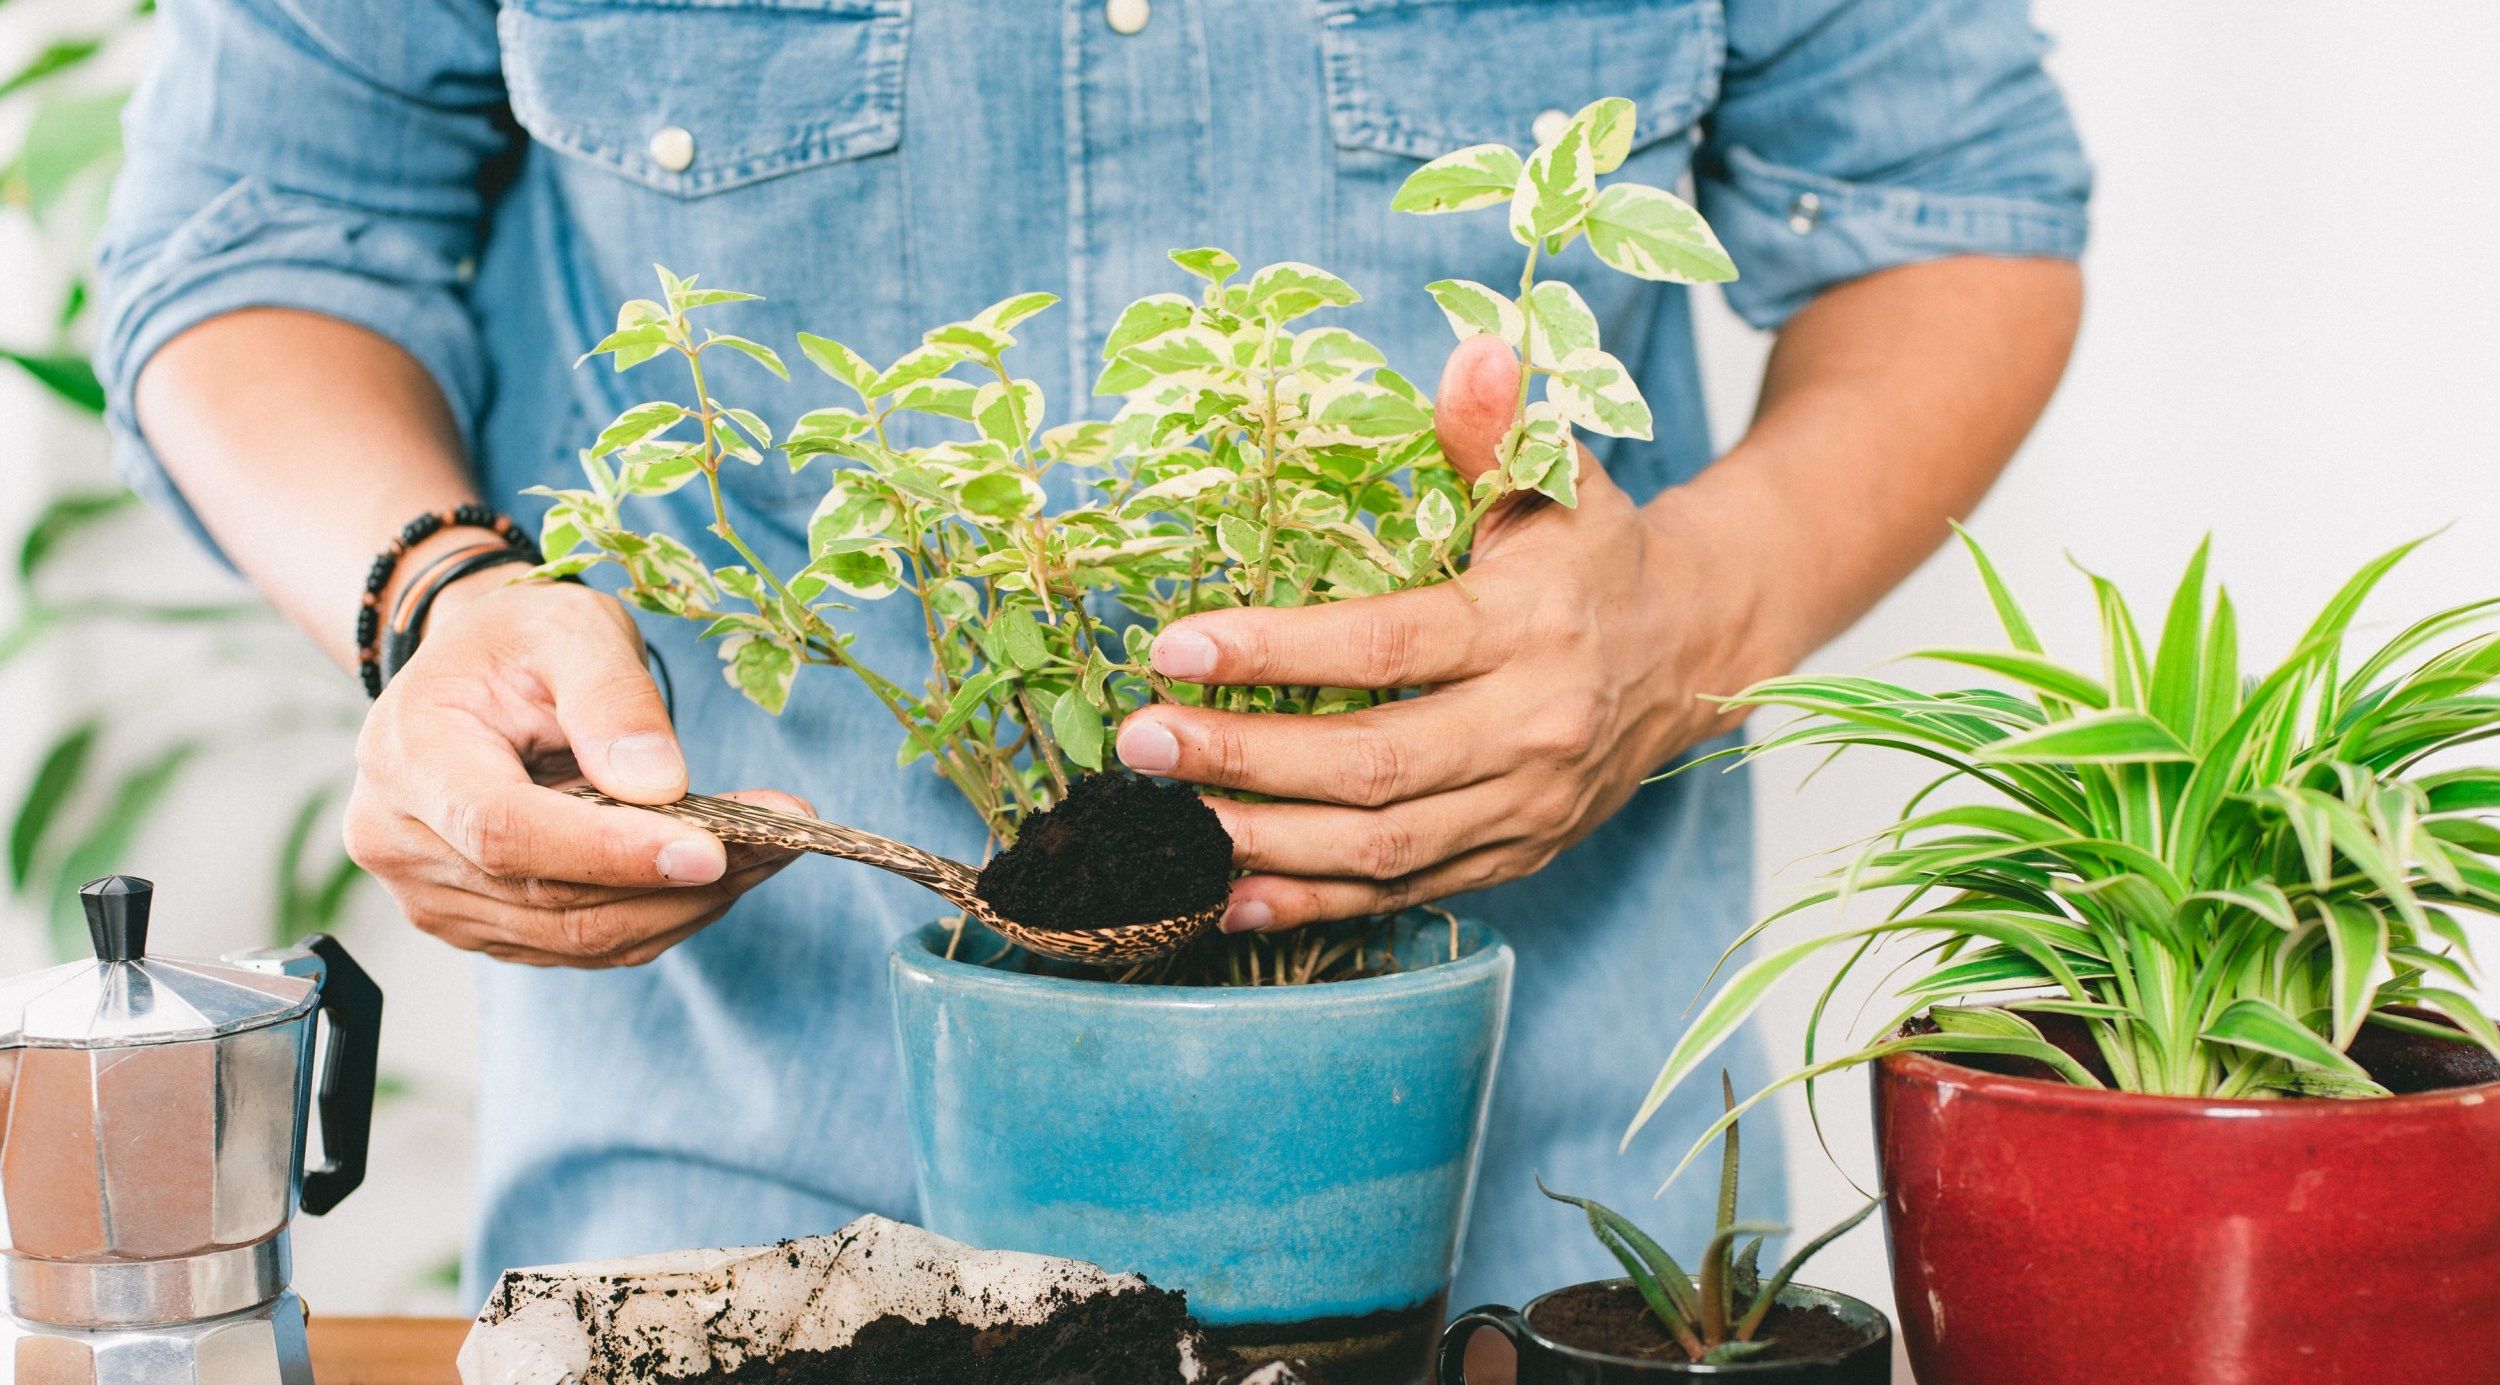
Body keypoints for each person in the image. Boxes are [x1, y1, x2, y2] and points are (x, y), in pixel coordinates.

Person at [96, 0, 2087, 1310]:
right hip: (741, 1248)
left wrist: (1693, 618)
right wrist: (438, 595)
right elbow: (258, 232)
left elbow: (1949, 207)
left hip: (1525, 1262)